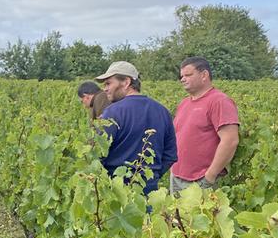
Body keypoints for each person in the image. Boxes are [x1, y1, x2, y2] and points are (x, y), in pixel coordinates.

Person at [95, 61, 177, 195]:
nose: (105, 89)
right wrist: (150, 177)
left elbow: (97, 154)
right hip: (150, 192)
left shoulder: (112, 113)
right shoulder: (162, 111)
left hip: (115, 192)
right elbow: (170, 155)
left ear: (126, 82)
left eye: (108, 83)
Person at [170, 57, 239, 194]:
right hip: (177, 177)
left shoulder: (219, 101)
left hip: (201, 180)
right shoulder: (184, 103)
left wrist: (210, 176)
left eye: (188, 75)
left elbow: (230, 140)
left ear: (204, 75)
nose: (183, 79)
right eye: (181, 76)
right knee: (176, 216)